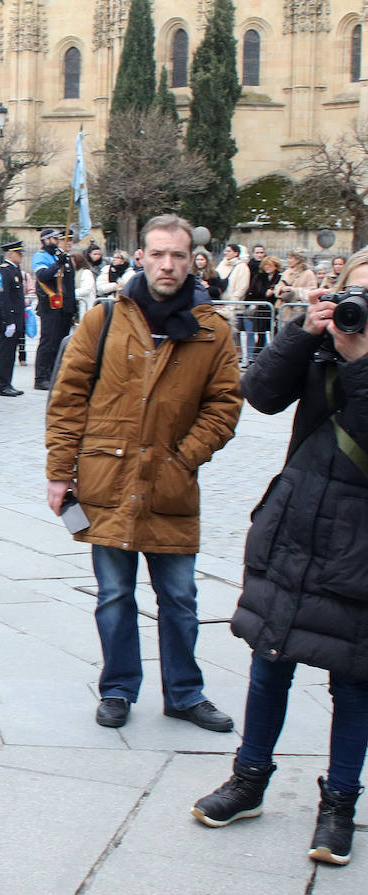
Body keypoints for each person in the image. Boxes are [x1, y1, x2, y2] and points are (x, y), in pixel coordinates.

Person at [189, 249, 368, 866]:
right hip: (296, 525)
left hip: (360, 542)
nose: (360, 310)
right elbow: (259, 394)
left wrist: (359, 362)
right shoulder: (326, 342)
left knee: (355, 677)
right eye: (355, 294)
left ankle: (339, 802)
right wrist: (302, 333)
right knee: (270, 658)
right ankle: (249, 779)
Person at [45, 214, 242, 732]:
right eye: (158, 254)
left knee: (179, 597)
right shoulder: (104, 320)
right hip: (107, 480)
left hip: (172, 485)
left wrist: (184, 457)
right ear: (142, 257)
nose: (168, 264)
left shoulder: (213, 328)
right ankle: (117, 688)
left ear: (193, 259)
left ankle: (184, 692)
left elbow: (224, 406)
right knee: (113, 596)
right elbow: (68, 399)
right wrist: (59, 472)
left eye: (178, 255)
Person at [33, 227, 76, 389]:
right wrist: (58, 264)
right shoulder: (41, 256)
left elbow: (70, 284)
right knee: (48, 342)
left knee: (60, 342)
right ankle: (41, 377)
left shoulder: (63, 256)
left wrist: (73, 307)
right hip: (50, 306)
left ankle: (55, 373)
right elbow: (43, 276)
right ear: (45, 240)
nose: (57, 241)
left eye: (58, 238)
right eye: (53, 238)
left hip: (65, 307)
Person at [0, 240, 27, 397]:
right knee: (5, 352)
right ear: (10, 254)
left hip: (17, 317)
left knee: (11, 352)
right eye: (18, 253)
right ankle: (2, 384)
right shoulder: (5, 271)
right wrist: (8, 321)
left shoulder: (15, 270)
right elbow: (4, 298)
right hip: (10, 318)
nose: (21, 256)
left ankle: (7, 382)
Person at [247, 254, 282, 366]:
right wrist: (265, 294)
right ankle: (256, 358)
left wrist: (273, 293)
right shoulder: (259, 277)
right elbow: (252, 293)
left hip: (274, 310)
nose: (267, 267)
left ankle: (274, 358)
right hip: (261, 309)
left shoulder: (280, 277)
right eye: (265, 265)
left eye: (270, 265)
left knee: (275, 334)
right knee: (260, 334)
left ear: (276, 266)